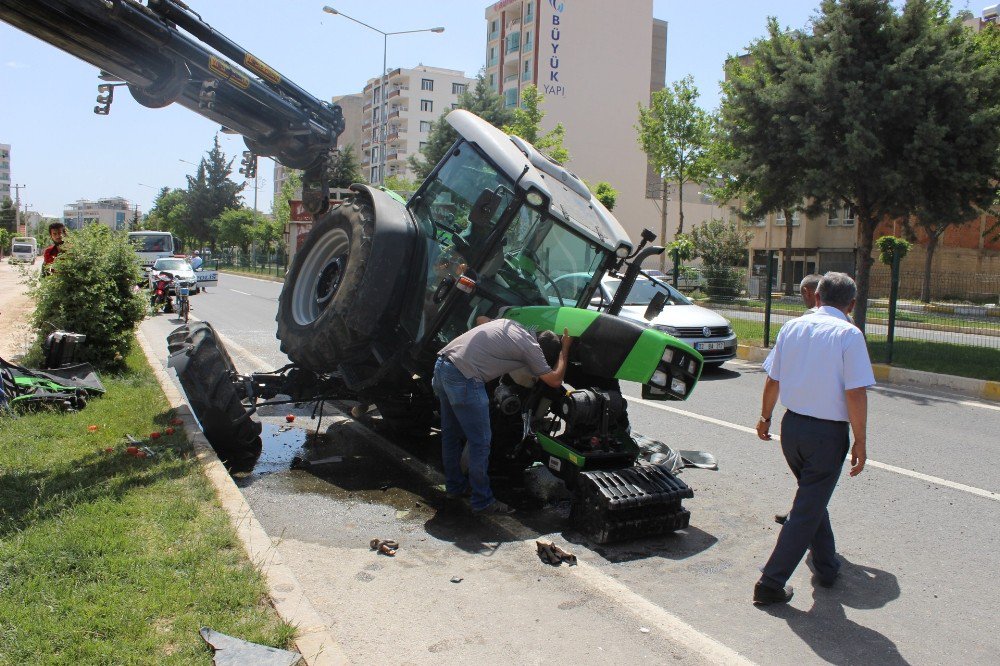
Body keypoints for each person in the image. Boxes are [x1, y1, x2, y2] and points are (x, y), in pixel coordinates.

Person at [752, 272, 874, 605]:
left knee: (811, 498)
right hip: (827, 434)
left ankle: (826, 567)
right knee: (807, 507)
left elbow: (773, 380)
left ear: (816, 297)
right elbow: (856, 392)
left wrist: (765, 418)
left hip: (792, 430)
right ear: (851, 304)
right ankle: (770, 582)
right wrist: (860, 440)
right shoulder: (849, 334)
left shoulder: (792, 327)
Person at [433, 318, 572, 514]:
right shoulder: (531, 347)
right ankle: (482, 500)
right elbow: (555, 381)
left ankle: (455, 488)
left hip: (443, 365)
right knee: (480, 442)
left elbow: (481, 319)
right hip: (464, 377)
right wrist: (565, 348)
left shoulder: (513, 324)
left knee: (451, 435)